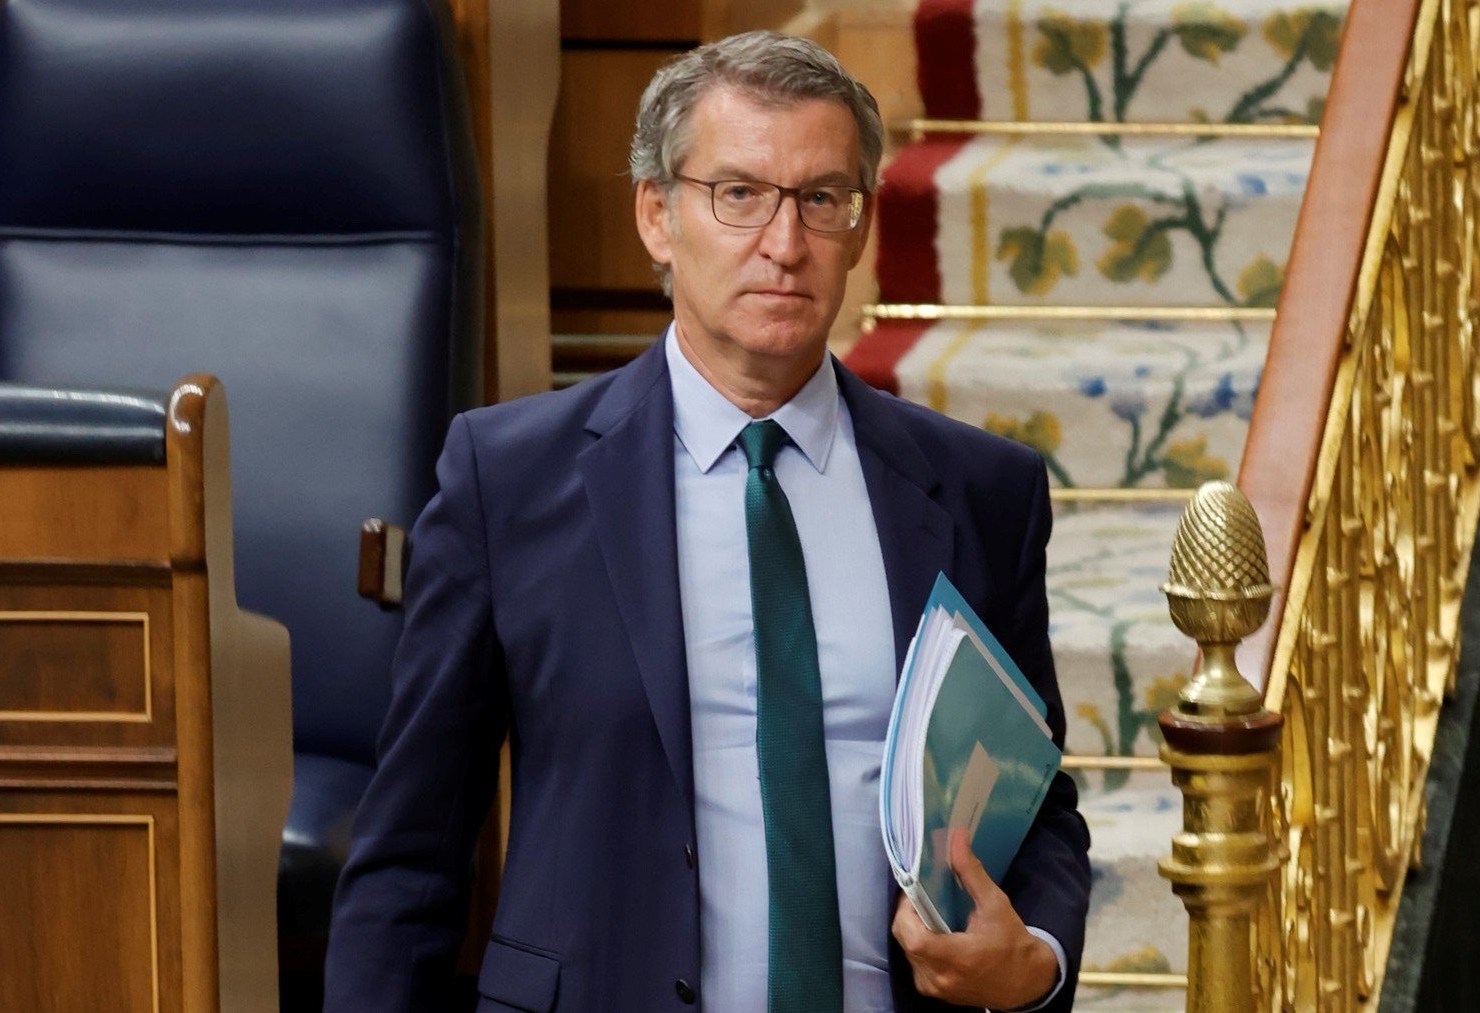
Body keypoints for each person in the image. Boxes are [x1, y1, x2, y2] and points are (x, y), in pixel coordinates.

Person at [323, 30, 1090, 1013]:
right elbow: (409, 853)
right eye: (739, 194)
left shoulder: (982, 489)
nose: (785, 243)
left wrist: (1033, 960)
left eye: (821, 198)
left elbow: (1032, 802)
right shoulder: (506, 480)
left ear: (859, 226)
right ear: (657, 213)